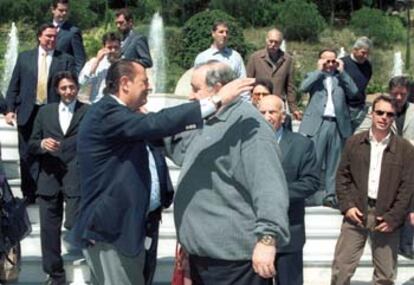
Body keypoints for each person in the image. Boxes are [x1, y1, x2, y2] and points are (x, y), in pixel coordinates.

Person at [67, 59, 254, 285]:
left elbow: (162, 133)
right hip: (113, 230)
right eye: (144, 81)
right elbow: (157, 123)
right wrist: (216, 101)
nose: (149, 86)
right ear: (125, 83)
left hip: (138, 227)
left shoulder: (128, 117)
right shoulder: (106, 113)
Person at [164, 61, 290, 285]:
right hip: (205, 259)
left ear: (219, 89)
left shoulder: (250, 127)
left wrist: (267, 239)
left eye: (196, 88)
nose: (191, 96)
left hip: (235, 266)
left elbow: (269, 188)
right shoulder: (209, 122)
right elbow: (182, 151)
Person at [331, 94, 414, 285]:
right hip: (356, 214)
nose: (384, 117)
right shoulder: (354, 143)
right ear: (372, 113)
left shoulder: (405, 149)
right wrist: (348, 206)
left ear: (394, 117)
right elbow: (343, 177)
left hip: (386, 217)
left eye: (390, 114)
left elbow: (408, 187)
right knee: (341, 270)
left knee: (385, 276)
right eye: (380, 112)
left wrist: (394, 217)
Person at [28, 71, 88, 285]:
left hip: (76, 176)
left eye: (71, 87)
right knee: (48, 230)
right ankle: (55, 276)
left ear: (77, 88)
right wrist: (42, 144)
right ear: (57, 90)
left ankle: (90, 263)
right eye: (64, 88)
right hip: (49, 177)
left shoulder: (87, 111)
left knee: (75, 223)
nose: (68, 92)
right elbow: (31, 144)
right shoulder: (45, 112)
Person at [5, 24, 75, 204]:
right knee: (26, 153)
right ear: (39, 37)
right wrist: (10, 110)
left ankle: (53, 191)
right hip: (28, 111)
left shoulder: (65, 59)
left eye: (54, 37)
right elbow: (14, 85)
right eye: (48, 36)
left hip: (51, 111)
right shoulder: (24, 58)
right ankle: (29, 193)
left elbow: (71, 85)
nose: (52, 40)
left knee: (51, 151)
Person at [258, 95, 319, 285]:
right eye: (262, 112)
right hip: (255, 234)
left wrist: (278, 193)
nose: (267, 116)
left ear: (283, 116)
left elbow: (311, 182)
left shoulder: (302, 145)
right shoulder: (246, 144)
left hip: (289, 233)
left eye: (272, 112)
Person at [357, 76, 414, 259]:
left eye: (402, 94)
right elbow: (359, 133)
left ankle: (406, 244)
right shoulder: (378, 111)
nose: (398, 98)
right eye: (395, 94)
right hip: (386, 166)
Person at [298, 48, 358, 208]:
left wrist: (343, 72)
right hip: (318, 123)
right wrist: (319, 70)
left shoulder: (342, 78)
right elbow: (302, 88)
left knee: (335, 162)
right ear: (320, 61)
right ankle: (309, 195)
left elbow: (354, 92)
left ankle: (331, 195)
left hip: (337, 124)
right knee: (314, 160)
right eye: (327, 61)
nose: (330, 64)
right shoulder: (314, 76)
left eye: (333, 61)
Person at [247, 28, 301, 120]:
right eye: (271, 41)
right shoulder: (255, 58)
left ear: (280, 43)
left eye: (276, 42)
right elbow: (248, 82)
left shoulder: (287, 60)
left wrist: (293, 108)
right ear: (266, 40)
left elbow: (290, 87)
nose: (273, 45)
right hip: (259, 105)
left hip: (277, 105)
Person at [79, 32, 121, 103]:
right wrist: (97, 61)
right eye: (109, 48)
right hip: (97, 102)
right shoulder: (94, 62)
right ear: (103, 48)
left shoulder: (125, 64)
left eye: (116, 47)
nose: (113, 51)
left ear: (120, 47)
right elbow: (82, 83)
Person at [341, 36, 373, 131]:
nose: (365, 56)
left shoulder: (367, 65)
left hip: (360, 108)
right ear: (355, 50)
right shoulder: (343, 63)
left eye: (368, 53)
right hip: (345, 107)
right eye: (363, 53)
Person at [51, 0, 86, 74]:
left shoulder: (73, 32)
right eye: (61, 10)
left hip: (63, 77)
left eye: (66, 11)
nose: (64, 13)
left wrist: (73, 78)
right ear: (53, 10)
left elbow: (80, 60)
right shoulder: (45, 29)